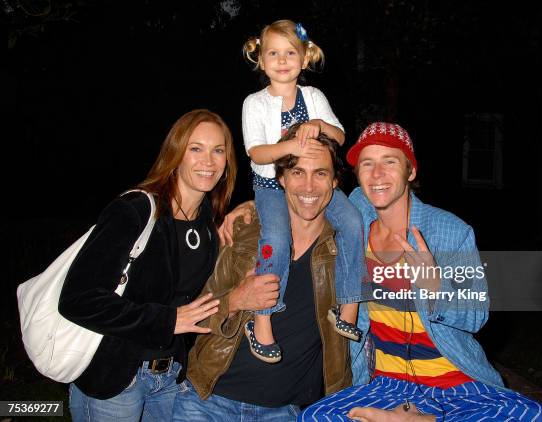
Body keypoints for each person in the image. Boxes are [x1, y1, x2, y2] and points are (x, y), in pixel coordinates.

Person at [299, 122, 542, 421]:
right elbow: (305, 199)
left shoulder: (449, 231)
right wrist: (254, 207)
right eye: (367, 163)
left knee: (539, 417)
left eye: (390, 162)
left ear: (410, 172)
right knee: (315, 417)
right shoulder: (354, 220)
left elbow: (477, 314)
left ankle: (429, 419)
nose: (377, 174)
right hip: (386, 384)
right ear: (358, 175)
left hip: (455, 384)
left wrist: (436, 287)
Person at [58, 109, 237, 422]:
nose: (208, 161)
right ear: (176, 154)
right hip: (116, 378)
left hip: (171, 378)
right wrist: (165, 321)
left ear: (227, 163)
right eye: (195, 148)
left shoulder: (209, 225)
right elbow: (77, 299)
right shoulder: (137, 210)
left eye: (217, 150)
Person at [173, 123, 353, 421]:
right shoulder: (242, 232)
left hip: (285, 410)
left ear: (335, 181)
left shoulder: (346, 248)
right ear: (280, 178)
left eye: (320, 173)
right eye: (297, 173)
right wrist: (236, 300)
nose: (308, 187)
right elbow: (195, 314)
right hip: (208, 400)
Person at [241, 19, 368, 362]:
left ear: (304, 58)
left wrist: (319, 125)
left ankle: (349, 308)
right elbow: (256, 153)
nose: (282, 60)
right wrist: (292, 146)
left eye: (290, 53)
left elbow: (339, 137)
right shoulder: (254, 103)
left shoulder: (313, 97)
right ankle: (262, 321)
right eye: (273, 53)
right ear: (262, 60)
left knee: (354, 222)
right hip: (271, 184)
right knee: (277, 241)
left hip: (315, 181)